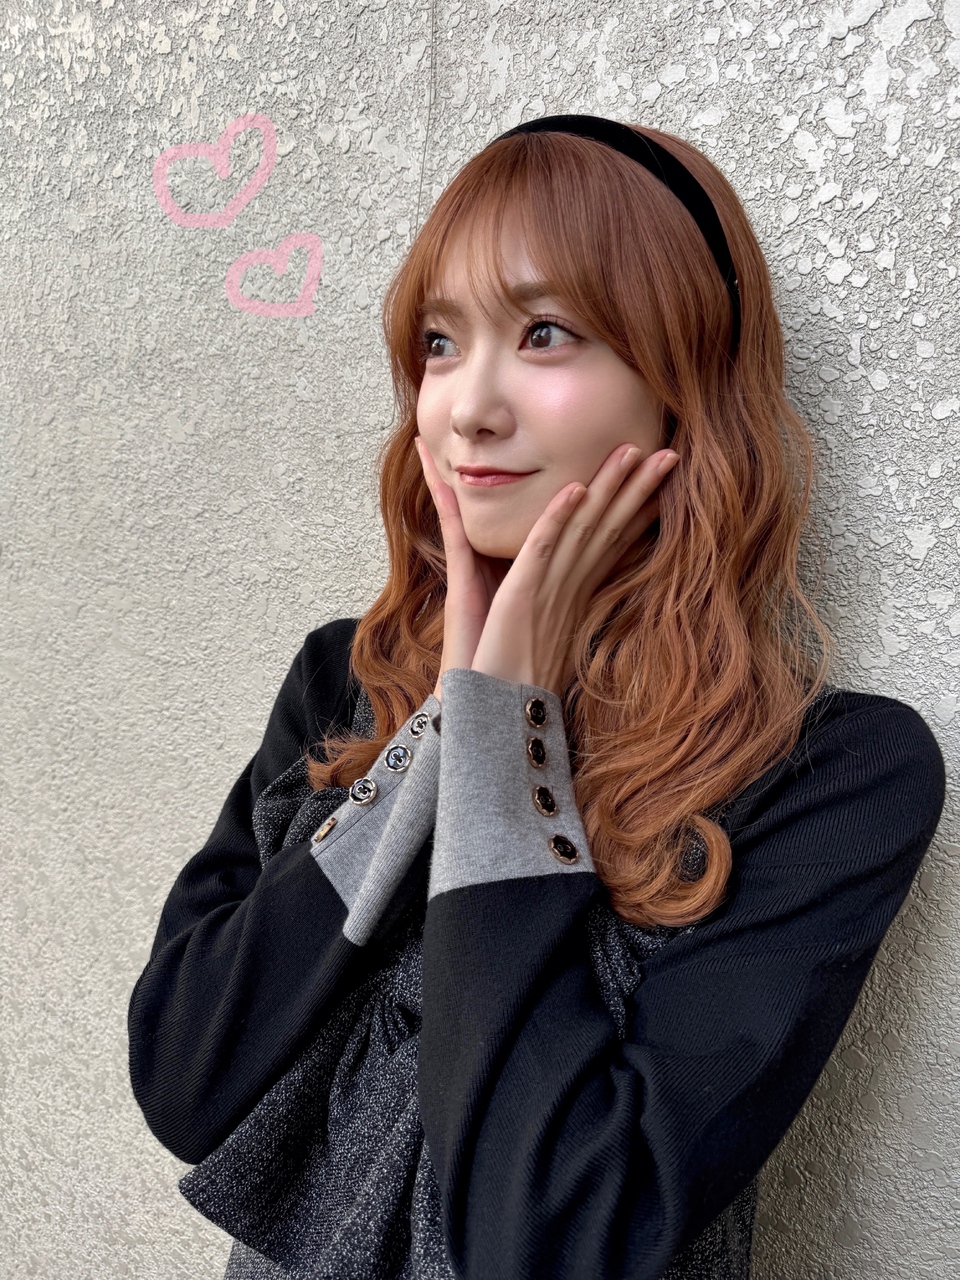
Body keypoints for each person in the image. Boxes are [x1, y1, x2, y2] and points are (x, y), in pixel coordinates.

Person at [127, 115, 946, 1280]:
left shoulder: (836, 772)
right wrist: (451, 724)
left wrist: (509, 745)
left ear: (683, 383)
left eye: (545, 332)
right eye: (440, 341)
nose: (468, 406)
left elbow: (557, 1234)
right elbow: (185, 1076)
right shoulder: (342, 679)